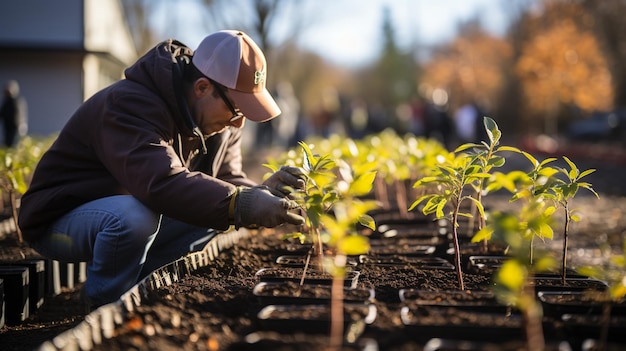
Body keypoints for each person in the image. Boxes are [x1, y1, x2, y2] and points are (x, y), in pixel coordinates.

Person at [17, 30, 306, 309]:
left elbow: (225, 182)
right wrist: (241, 202)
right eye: (237, 109)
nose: (239, 123)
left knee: (215, 210)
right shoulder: (131, 104)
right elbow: (160, 182)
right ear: (202, 88)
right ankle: (104, 303)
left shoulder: (221, 122)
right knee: (135, 217)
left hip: (126, 207)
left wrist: (262, 191)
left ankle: (138, 291)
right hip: (60, 222)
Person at [0, 80, 28, 147]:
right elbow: (2, 113)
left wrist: (21, 125)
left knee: (14, 143)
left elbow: (20, 114)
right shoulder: (6, 102)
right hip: (7, 126)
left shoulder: (17, 101)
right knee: (7, 142)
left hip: (15, 127)